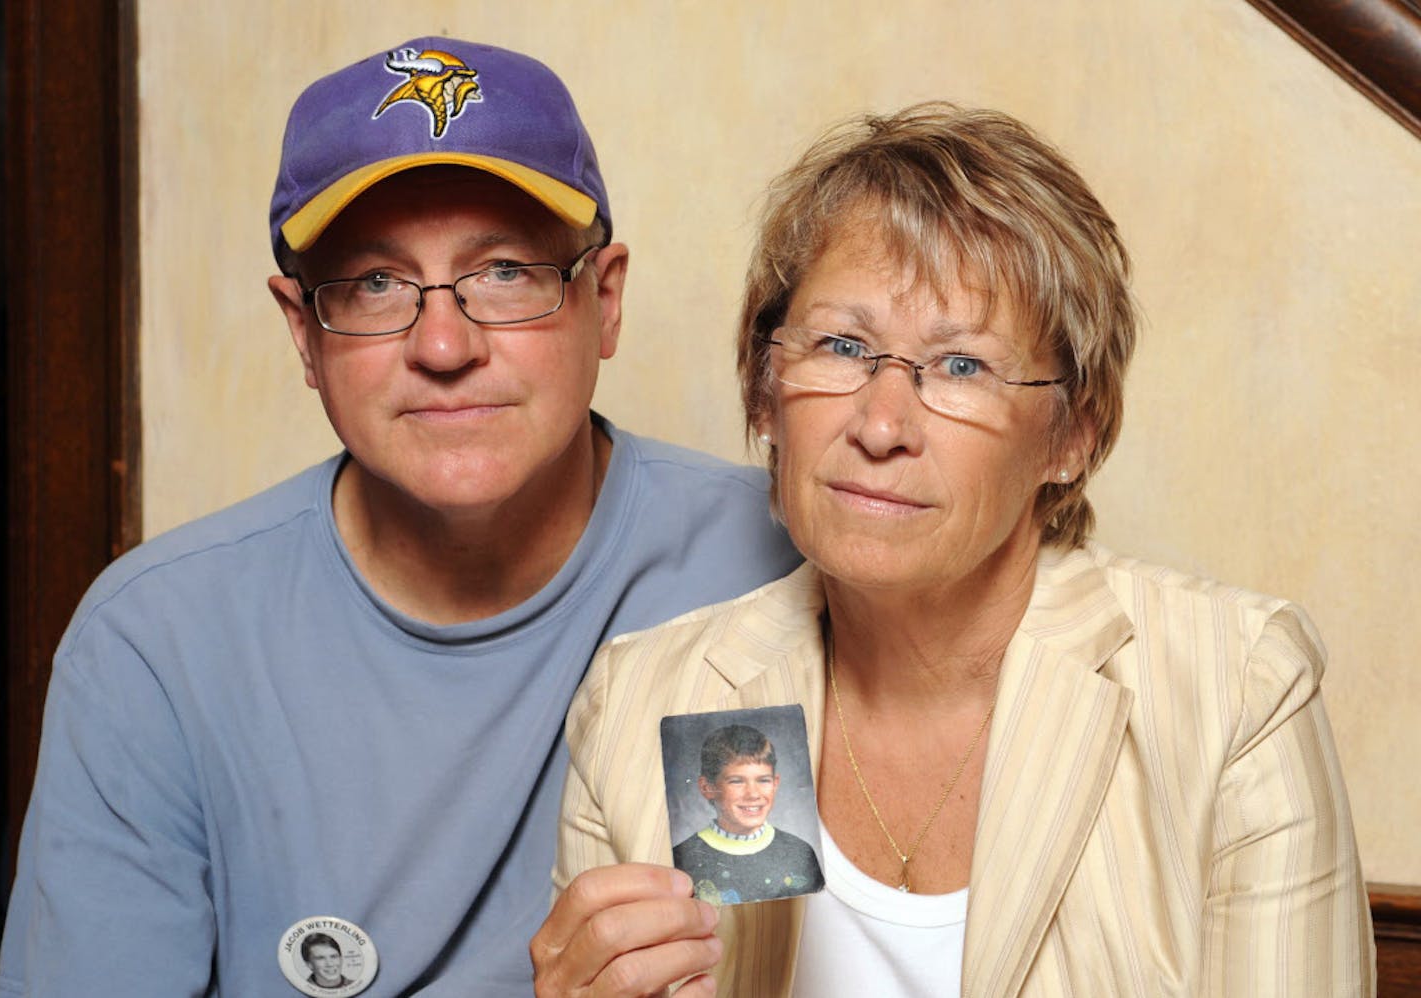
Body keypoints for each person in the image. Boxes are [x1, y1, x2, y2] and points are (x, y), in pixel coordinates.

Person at [0, 37, 798, 997]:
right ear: (303, 333)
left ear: (606, 301)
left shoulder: (773, 559)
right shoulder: (155, 646)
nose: (446, 343)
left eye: (505, 271)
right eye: (375, 284)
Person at [532, 103, 1375, 996]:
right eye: (843, 346)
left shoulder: (1234, 692)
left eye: (962, 366)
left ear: (1072, 435)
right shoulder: (647, 701)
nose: (882, 424)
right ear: (766, 390)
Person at [672, 724, 824, 905]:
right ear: (708, 787)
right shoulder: (682, 859)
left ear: (775, 784)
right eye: (737, 781)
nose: (753, 794)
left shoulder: (800, 853)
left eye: (763, 780)